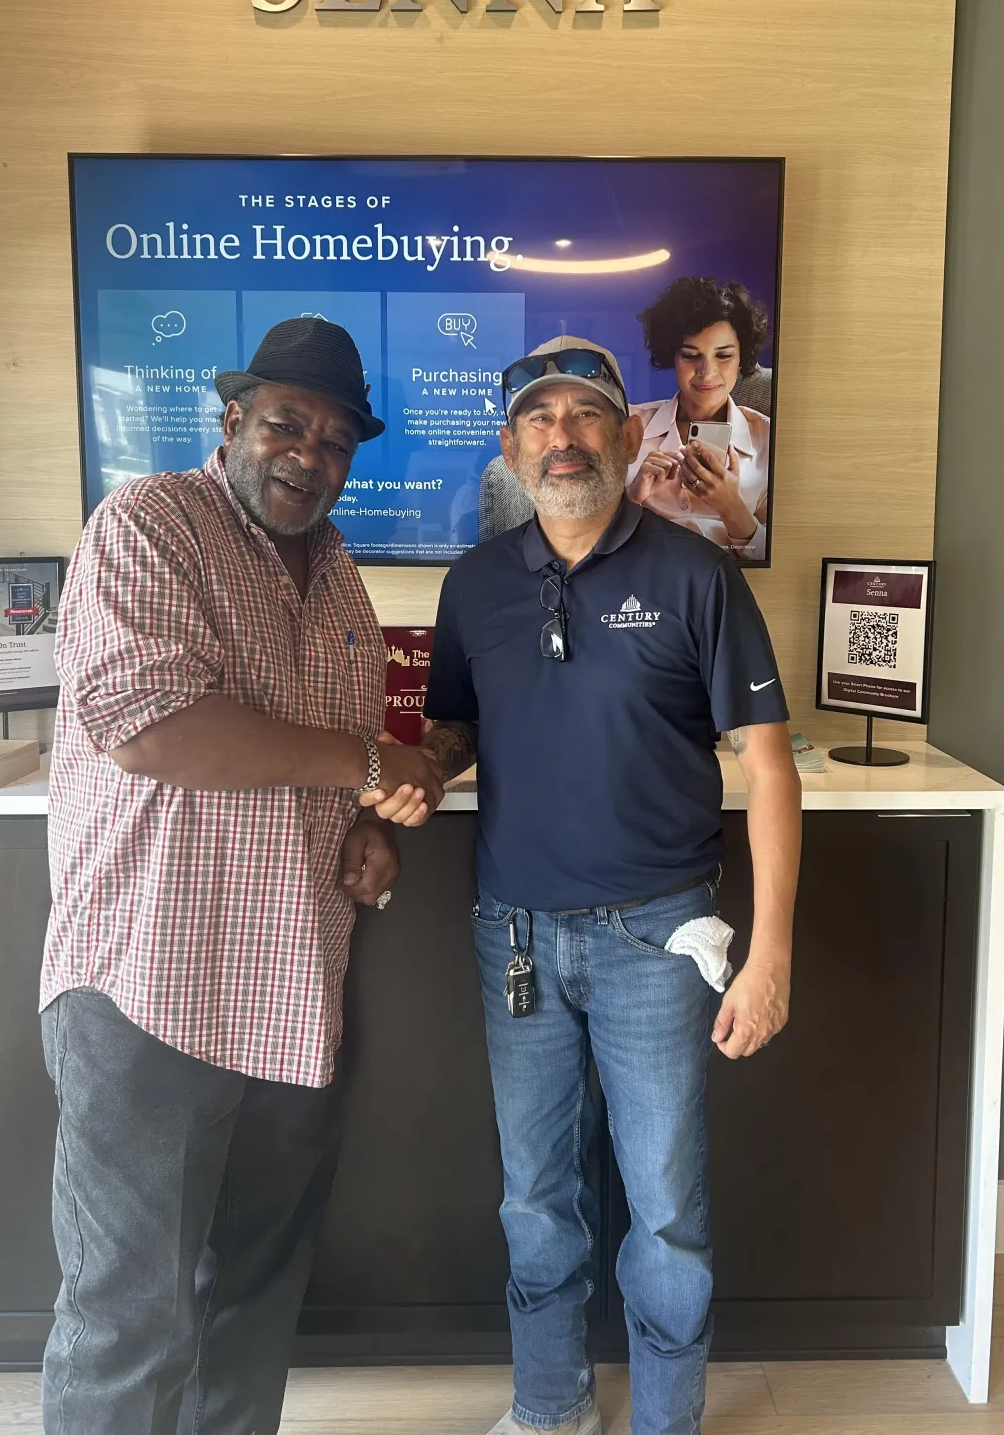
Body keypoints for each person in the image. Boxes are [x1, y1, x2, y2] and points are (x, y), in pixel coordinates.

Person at [364, 335, 802, 1435]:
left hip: (660, 937)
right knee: (535, 1201)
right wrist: (416, 769)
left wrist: (771, 954)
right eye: (541, 422)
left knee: (664, 1216)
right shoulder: (474, 584)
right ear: (512, 447)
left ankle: (665, 1420)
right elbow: (460, 724)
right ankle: (549, 1408)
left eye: (587, 416)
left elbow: (767, 763)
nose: (564, 439)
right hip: (513, 936)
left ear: (625, 433)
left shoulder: (697, 575)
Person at [40, 316, 445, 1435]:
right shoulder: (147, 524)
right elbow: (153, 726)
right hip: (149, 991)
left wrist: (371, 828)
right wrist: (369, 762)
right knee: (131, 1316)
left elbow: (332, 767)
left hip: (293, 993)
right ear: (232, 421)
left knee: (250, 1307)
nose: (308, 455)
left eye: (334, 440)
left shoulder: (344, 581)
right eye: (285, 424)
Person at [627, 277, 773, 562]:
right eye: (691, 356)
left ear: (742, 357)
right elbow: (593, 540)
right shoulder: (630, 426)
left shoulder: (768, 438)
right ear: (672, 356)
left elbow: (772, 560)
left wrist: (732, 507)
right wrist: (632, 499)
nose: (707, 373)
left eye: (724, 356)